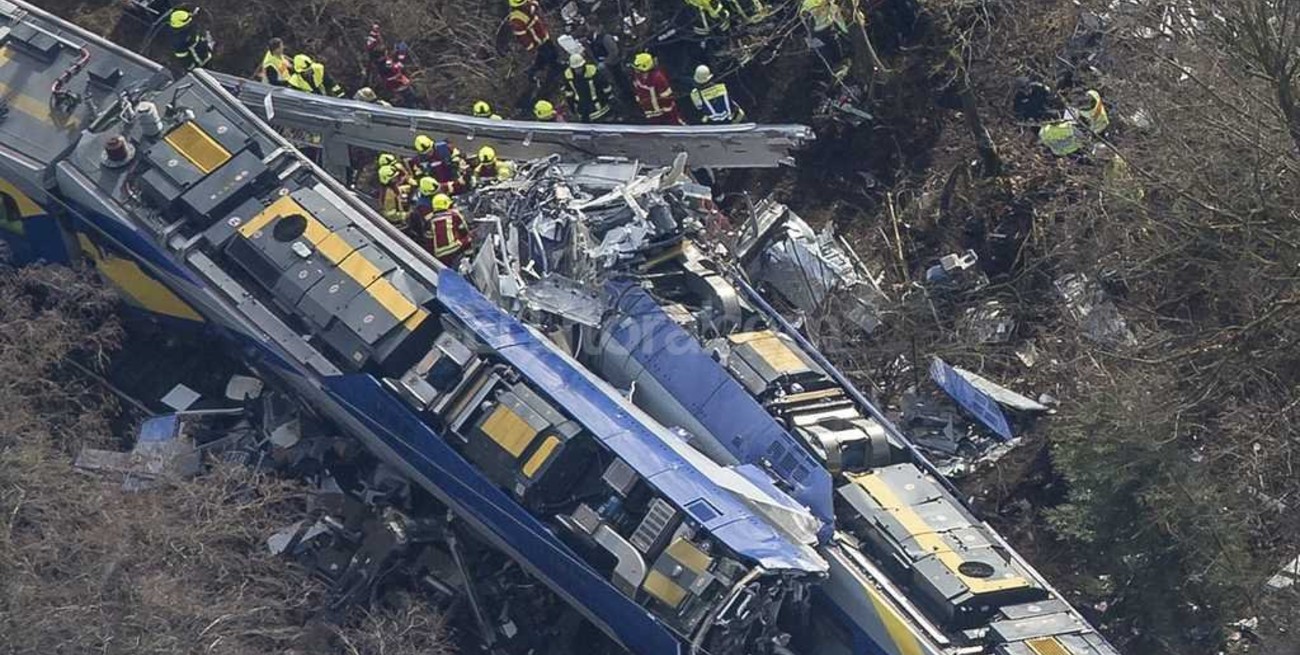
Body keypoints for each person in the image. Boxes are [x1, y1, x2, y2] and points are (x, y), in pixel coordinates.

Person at [507, 0, 561, 85]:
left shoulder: (527, 6)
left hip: (543, 35)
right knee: (549, 56)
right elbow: (522, 37)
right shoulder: (516, 19)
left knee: (550, 53)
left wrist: (533, 6)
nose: (526, 4)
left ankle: (533, 72)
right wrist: (531, 47)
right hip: (537, 42)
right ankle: (554, 72)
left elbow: (534, 2)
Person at [630, 52, 683, 125]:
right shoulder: (638, 76)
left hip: (664, 115)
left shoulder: (658, 78)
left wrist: (668, 113)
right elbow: (637, 90)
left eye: (637, 68)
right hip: (649, 113)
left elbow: (667, 98)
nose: (635, 70)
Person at [421, 193, 472, 266]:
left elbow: (429, 241)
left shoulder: (429, 220)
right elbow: (464, 230)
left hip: (440, 255)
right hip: (455, 249)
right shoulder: (454, 214)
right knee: (469, 238)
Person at [564, 53, 614, 122]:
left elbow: (604, 85)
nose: (578, 70)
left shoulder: (592, 71)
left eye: (580, 67)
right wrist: (571, 106)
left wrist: (610, 98)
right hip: (581, 107)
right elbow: (569, 92)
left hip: (599, 104)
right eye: (576, 68)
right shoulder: (568, 75)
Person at [377, 164, 413, 230]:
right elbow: (391, 215)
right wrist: (407, 215)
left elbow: (398, 191)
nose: (396, 178)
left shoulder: (391, 186)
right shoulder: (388, 195)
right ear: (387, 179)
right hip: (397, 225)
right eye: (393, 178)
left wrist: (410, 188)